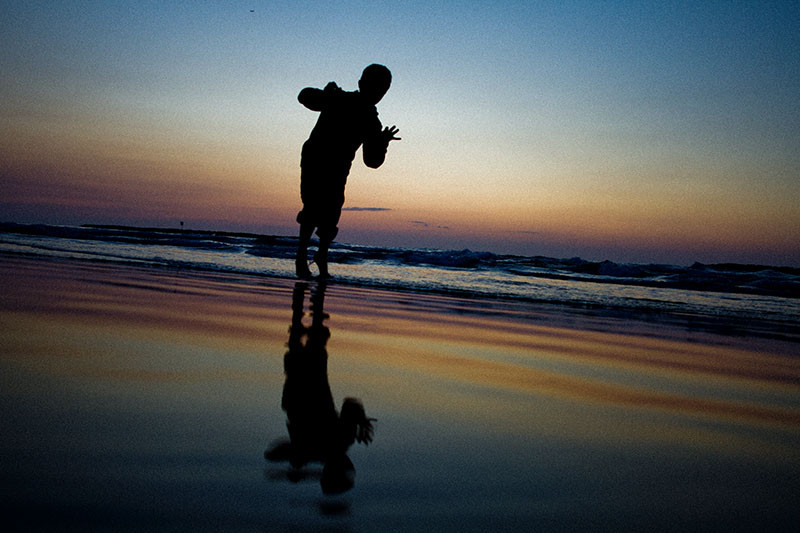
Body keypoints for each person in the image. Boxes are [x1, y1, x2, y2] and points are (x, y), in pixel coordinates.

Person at [295, 64, 400, 279]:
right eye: (376, 87)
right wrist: (327, 94)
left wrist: (382, 142)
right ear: (361, 84)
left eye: (383, 90)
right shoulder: (340, 99)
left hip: (339, 167)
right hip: (316, 158)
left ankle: (321, 256)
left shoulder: (372, 121)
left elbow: (372, 161)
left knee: (331, 212)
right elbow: (304, 96)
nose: (379, 93)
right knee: (313, 207)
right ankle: (301, 256)